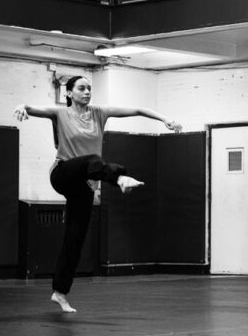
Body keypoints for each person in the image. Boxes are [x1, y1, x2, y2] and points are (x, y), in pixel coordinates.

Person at [14, 75, 182, 312]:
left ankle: (60, 292)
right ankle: (120, 178)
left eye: (89, 88)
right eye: (81, 88)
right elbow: (31, 107)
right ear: (69, 93)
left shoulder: (99, 113)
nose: (87, 92)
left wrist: (166, 119)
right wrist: (21, 107)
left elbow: (137, 109)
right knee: (93, 160)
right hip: (64, 173)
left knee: (75, 238)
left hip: (85, 184)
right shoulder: (60, 113)